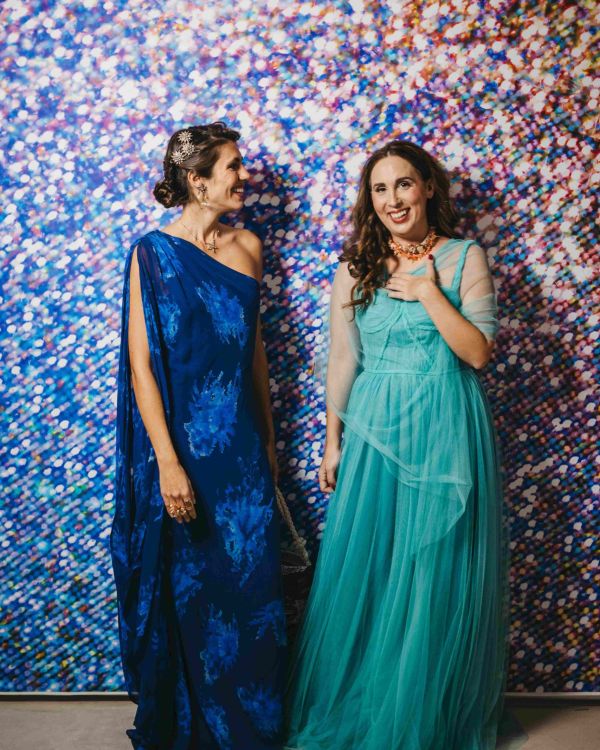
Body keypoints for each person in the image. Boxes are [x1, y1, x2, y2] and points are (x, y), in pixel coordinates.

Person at [285, 140, 509, 750]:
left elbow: (478, 353)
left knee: (433, 569)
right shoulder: (355, 266)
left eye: (403, 184)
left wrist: (430, 292)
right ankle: (372, 703)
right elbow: (343, 358)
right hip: (375, 432)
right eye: (380, 189)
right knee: (376, 568)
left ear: (428, 188)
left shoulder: (464, 256)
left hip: (444, 428)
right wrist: (332, 440)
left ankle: (422, 713)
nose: (393, 200)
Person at [110, 122, 286, 750]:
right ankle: (192, 727)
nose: (244, 176)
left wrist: (269, 440)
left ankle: (252, 730)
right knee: (191, 590)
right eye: (233, 166)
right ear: (197, 179)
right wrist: (167, 462)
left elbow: (254, 351)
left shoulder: (248, 247)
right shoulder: (152, 253)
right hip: (182, 450)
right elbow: (141, 366)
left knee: (250, 588)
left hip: (241, 449)